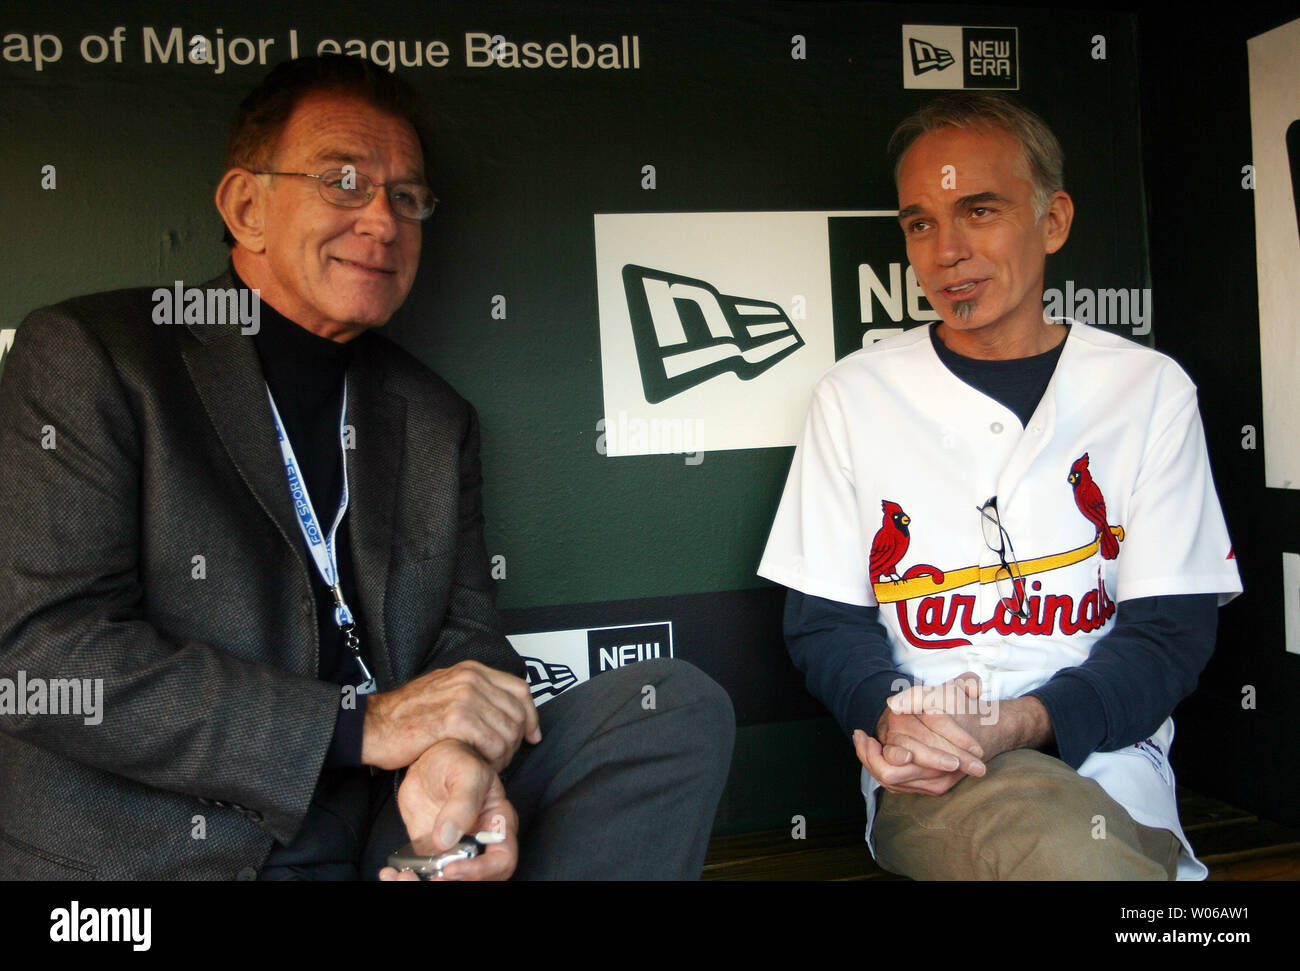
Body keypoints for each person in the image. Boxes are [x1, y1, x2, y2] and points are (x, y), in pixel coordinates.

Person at [0, 54, 734, 881]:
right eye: (343, 182)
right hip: (168, 846)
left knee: (670, 709)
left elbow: (470, 639)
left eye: (407, 197)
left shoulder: (433, 415)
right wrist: (362, 725)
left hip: (391, 827)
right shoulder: (99, 355)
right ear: (247, 206)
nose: (383, 221)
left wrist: (457, 759)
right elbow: (43, 658)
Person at [758, 93, 1241, 880]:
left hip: (1115, 759)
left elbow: (1169, 633)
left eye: (978, 211)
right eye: (920, 223)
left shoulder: (1149, 390)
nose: (946, 251)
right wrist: (897, 716)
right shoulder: (853, 395)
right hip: (947, 776)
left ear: (1053, 221)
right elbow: (823, 625)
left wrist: (1022, 721)